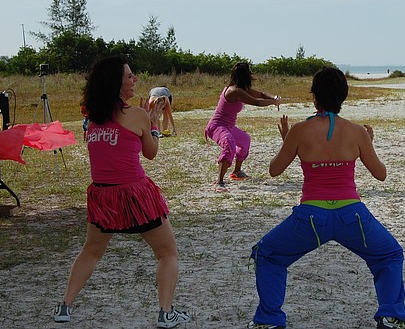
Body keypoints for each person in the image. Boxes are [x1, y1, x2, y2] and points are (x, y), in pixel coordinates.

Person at [248, 67, 405, 329]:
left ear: (314, 96)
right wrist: (367, 143)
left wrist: (288, 141)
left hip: (310, 218)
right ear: (343, 97)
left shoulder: (300, 131)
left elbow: (274, 170)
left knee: (267, 254)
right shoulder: (357, 131)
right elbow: (380, 174)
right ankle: (392, 317)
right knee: (389, 255)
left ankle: (268, 321)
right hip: (352, 216)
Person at [53, 56, 191, 328]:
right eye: (129, 76)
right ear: (116, 84)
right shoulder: (136, 115)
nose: (135, 79)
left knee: (91, 251)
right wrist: (153, 123)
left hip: (103, 197)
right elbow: (151, 153)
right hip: (135, 196)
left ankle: (64, 306)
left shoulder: (93, 119)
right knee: (167, 253)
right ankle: (166, 313)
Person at [205, 62, 281, 193]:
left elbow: (261, 94)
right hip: (216, 126)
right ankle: (220, 182)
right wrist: (274, 102)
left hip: (229, 126)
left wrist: (274, 97)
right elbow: (257, 102)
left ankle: (237, 172)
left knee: (245, 140)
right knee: (229, 143)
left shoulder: (241, 89)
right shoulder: (234, 91)